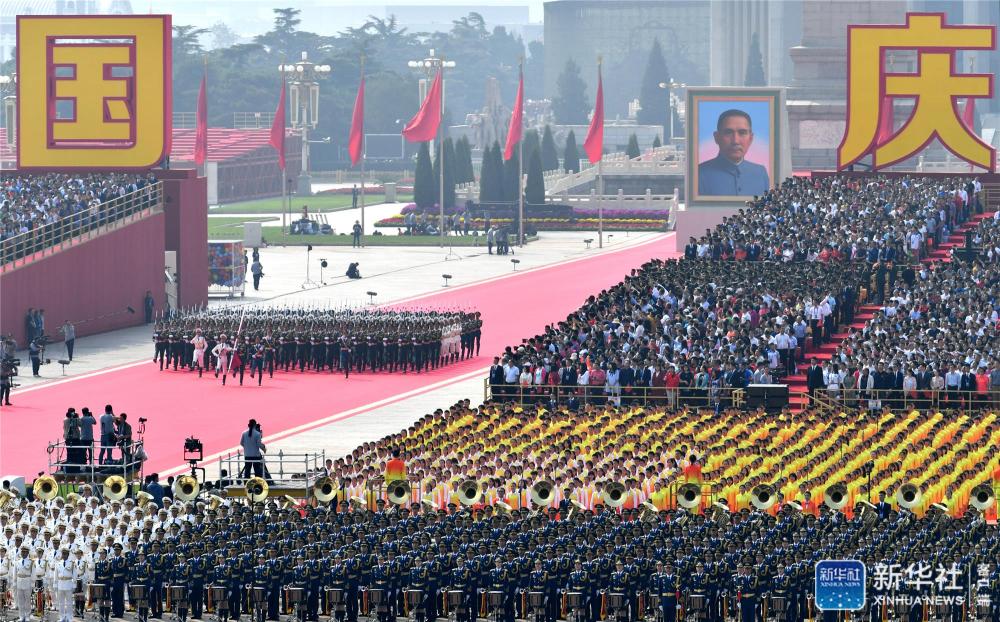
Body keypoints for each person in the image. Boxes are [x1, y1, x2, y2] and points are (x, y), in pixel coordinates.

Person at [697, 109, 770, 197]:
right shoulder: (699, 174)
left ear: (751, 139)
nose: (735, 141)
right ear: (717, 137)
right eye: (728, 133)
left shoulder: (761, 173)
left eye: (742, 133)